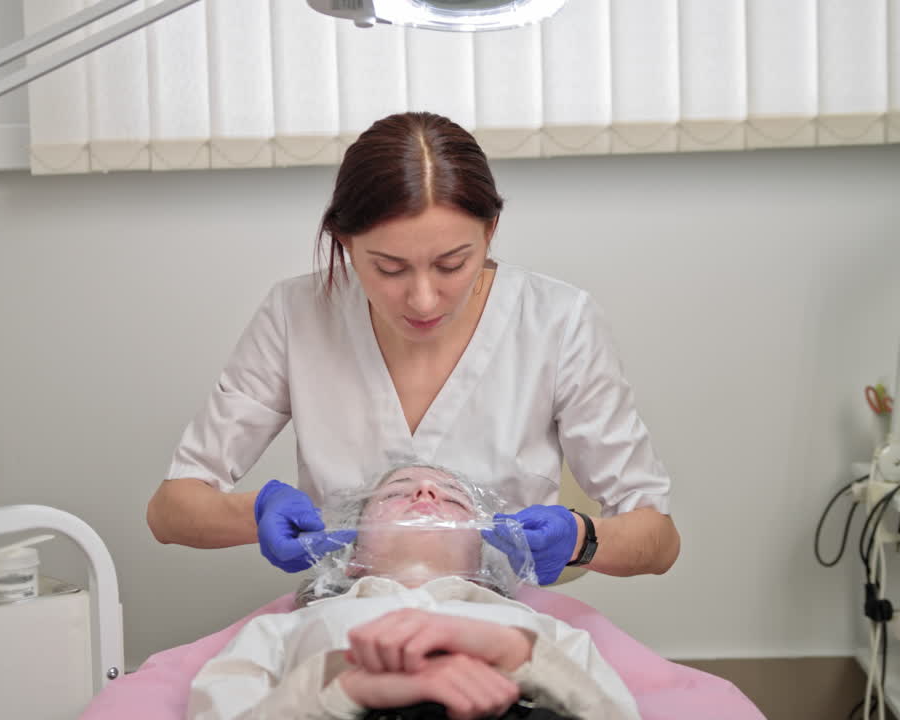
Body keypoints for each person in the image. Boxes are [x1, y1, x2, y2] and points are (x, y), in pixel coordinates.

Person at [148, 110, 679, 585]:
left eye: (452, 264)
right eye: (389, 268)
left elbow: (658, 539)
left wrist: (584, 540)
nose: (423, 299)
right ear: (344, 242)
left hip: (502, 624)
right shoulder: (297, 314)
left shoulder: (558, 322)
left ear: (490, 232)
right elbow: (170, 510)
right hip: (346, 617)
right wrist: (254, 512)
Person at [185, 465, 640, 720]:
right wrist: (343, 687)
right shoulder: (284, 629)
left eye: (454, 497)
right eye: (396, 493)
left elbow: (613, 712)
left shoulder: (541, 632)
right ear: (352, 553)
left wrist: (519, 654)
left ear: (483, 554)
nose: (425, 490)